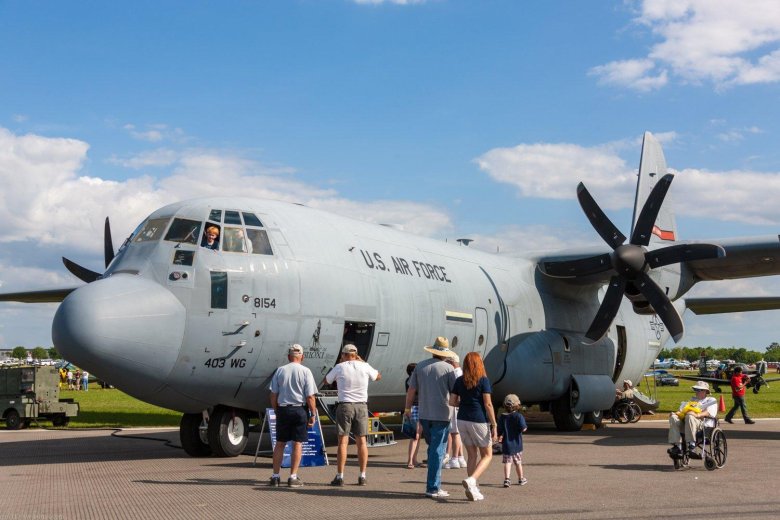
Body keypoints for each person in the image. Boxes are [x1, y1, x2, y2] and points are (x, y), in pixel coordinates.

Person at [404, 336, 458, 499]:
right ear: (445, 352)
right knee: (437, 451)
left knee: (432, 449)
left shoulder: (420, 366)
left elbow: (411, 390)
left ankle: (433, 484)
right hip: (442, 414)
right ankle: (433, 487)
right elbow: (454, 393)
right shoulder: (448, 369)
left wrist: (407, 408)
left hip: (424, 414)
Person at [324, 344, 381, 487]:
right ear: (356, 355)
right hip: (361, 406)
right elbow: (378, 376)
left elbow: (327, 381)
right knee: (361, 441)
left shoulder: (340, 367)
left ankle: (340, 476)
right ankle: (362, 476)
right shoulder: (364, 366)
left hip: (345, 406)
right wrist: (362, 362)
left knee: (342, 442)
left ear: (343, 355)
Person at [268, 344, 318, 488]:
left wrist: (276, 410)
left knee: (280, 443)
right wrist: (313, 414)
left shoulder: (280, 370)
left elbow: (273, 394)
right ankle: (293, 477)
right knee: (297, 444)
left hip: (283, 409)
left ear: (289, 356)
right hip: (299, 410)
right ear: (302, 356)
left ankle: (275, 476)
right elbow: (310, 396)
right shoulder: (306, 371)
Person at [449, 351, 497, 501]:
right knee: (487, 455)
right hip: (478, 419)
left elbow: (452, 401)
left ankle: (473, 488)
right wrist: (494, 424)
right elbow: (488, 404)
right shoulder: (483, 380)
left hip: (462, 419)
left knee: (471, 455)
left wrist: (462, 404)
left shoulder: (459, 380)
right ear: (479, 364)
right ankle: (472, 480)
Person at [667, 381, 718, 458]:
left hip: (702, 423)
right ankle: (677, 446)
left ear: (705, 391)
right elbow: (682, 411)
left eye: (699, 390)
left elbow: (709, 412)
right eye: (696, 389)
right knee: (673, 417)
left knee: (690, 416)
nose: (696, 391)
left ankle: (692, 445)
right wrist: (675, 413)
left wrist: (697, 415)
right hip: (687, 422)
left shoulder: (710, 400)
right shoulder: (691, 400)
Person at [497, 393, 528, 487]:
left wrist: (499, 436)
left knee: (507, 463)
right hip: (517, 445)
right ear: (517, 405)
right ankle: (521, 479)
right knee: (518, 463)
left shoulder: (502, 417)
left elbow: (500, 431)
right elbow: (523, 428)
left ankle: (507, 479)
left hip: (506, 445)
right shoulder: (519, 416)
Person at [443, 354, 465, 470]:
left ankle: (455, 458)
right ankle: (460, 457)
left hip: (455, 405)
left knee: (454, 433)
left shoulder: (454, 373)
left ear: (451, 363)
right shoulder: (460, 372)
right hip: (458, 405)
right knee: (457, 433)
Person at [404, 362, 423, 469]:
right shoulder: (412, 381)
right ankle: (410, 460)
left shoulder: (410, 380)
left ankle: (414, 459)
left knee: (418, 436)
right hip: (415, 408)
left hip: (416, 408)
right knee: (415, 435)